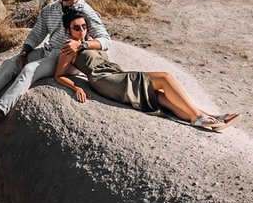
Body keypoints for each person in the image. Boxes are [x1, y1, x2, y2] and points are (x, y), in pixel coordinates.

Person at [51, 9, 239, 132]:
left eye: (84, 26)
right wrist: (76, 87)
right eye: (77, 28)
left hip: (116, 74)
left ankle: (212, 118)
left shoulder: (88, 42)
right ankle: (198, 117)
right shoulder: (69, 47)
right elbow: (59, 75)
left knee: (160, 97)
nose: (82, 30)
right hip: (103, 80)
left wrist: (83, 43)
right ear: (69, 29)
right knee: (165, 77)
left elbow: (104, 41)